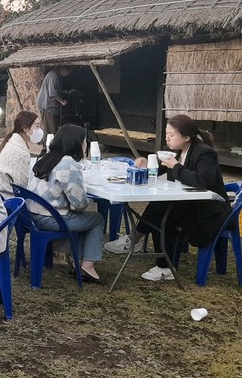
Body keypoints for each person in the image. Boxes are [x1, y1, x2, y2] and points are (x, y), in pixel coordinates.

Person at [106, 114, 231, 282]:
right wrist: (147, 165)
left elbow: (202, 181)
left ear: (186, 137)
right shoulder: (177, 150)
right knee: (162, 207)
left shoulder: (204, 153)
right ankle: (146, 249)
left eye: (171, 135)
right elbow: (159, 170)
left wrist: (176, 166)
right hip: (189, 204)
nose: (167, 138)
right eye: (166, 133)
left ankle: (154, 256)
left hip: (208, 211)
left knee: (162, 214)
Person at [27, 124, 105, 283]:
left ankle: (79, 262)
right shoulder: (68, 164)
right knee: (96, 219)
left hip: (32, 215)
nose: (85, 145)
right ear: (76, 144)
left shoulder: (44, 158)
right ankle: (87, 265)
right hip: (51, 218)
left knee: (85, 219)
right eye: (84, 142)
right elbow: (79, 205)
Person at [0, 111, 42, 198]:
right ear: (26, 128)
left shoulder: (13, 142)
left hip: (4, 194)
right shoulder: (20, 152)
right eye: (37, 126)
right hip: (11, 199)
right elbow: (24, 186)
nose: (40, 130)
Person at [37, 66, 72, 135]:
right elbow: (53, 94)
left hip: (52, 106)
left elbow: (57, 91)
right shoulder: (53, 76)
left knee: (53, 127)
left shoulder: (57, 76)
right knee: (50, 129)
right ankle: (48, 144)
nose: (69, 74)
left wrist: (68, 91)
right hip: (48, 106)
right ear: (63, 69)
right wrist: (62, 101)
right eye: (68, 72)